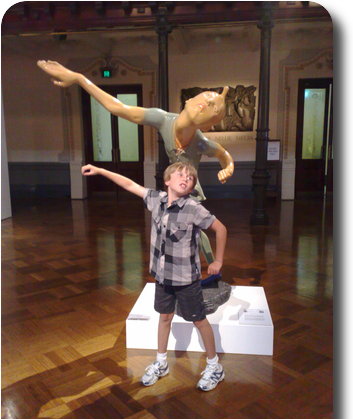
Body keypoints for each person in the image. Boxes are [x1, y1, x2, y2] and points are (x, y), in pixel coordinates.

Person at [37, 60, 233, 264]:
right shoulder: (163, 119)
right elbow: (118, 108)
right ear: (189, 100)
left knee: (195, 227)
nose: (210, 104)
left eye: (216, 109)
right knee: (176, 227)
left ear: (210, 126)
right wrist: (79, 79)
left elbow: (223, 154)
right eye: (207, 98)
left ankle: (212, 266)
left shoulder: (200, 142)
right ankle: (185, 267)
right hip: (174, 184)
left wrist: (228, 167)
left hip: (188, 187)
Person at [82, 161, 227, 391]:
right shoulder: (155, 200)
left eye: (190, 178)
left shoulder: (193, 208)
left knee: (199, 319)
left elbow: (220, 228)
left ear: (191, 187)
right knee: (165, 317)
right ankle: (161, 363)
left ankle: (214, 365)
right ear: (167, 180)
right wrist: (100, 171)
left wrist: (218, 260)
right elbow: (129, 184)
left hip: (186, 279)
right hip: (162, 276)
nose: (185, 178)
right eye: (180, 174)